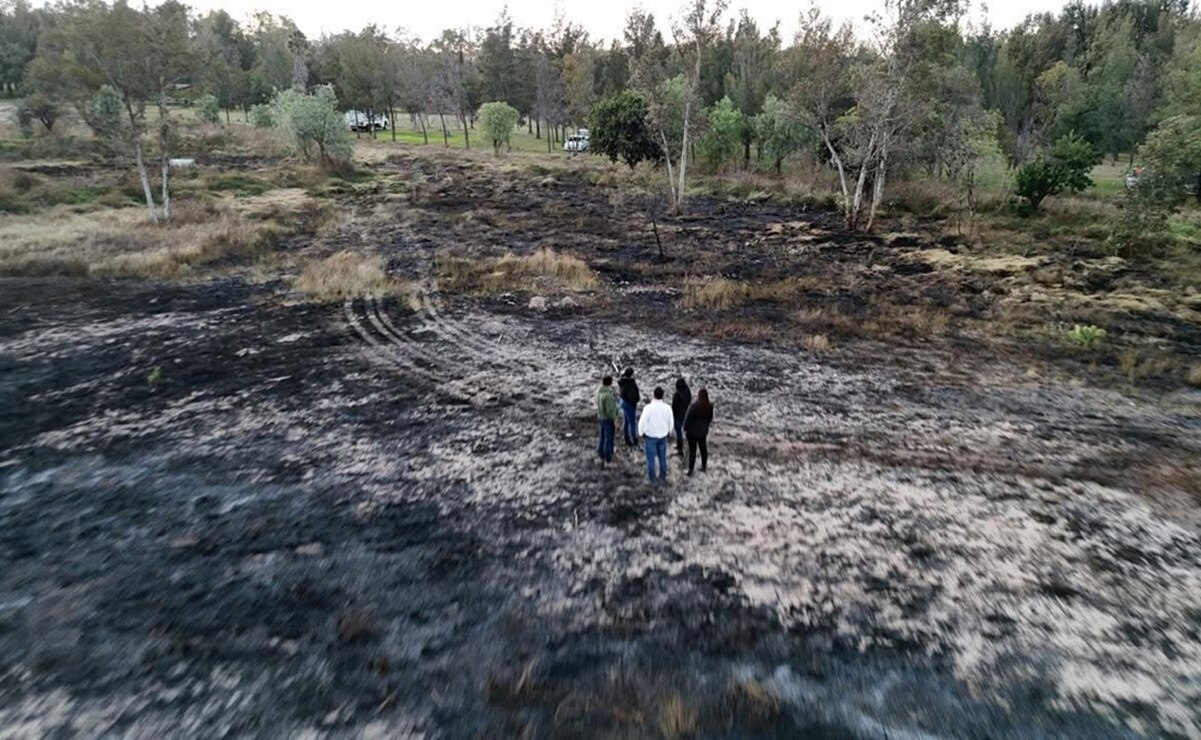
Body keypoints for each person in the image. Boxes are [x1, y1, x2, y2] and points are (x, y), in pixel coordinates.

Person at [638, 387, 674, 483]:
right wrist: (669, 432)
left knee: (650, 459)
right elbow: (671, 422)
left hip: (650, 437)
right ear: (663, 396)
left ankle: (652, 479)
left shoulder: (648, 408)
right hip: (663, 436)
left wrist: (641, 432)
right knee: (662, 458)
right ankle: (663, 476)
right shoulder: (667, 408)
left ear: (653, 395)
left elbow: (642, 422)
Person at [683, 389, 714, 476]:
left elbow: (688, 419)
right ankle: (704, 466)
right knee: (703, 449)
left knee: (692, 451)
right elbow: (710, 419)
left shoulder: (694, 406)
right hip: (703, 431)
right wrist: (705, 426)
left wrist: (685, 428)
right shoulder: (710, 406)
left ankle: (690, 470)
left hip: (692, 432)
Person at [595, 375, 618, 463]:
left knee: (602, 437)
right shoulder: (608, 396)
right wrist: (615, 420)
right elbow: (610, 411)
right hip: (608, 419)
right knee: (609, 439)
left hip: (600, 417)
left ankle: (601, 453)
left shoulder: (598, 391)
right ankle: (608, 456)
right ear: (610, 383)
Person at [617, 367, 640, 447]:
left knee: (626, 420)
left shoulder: (622, 381)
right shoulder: (630, 384)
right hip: (629, 404)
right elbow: (633, 396)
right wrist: (636, 401)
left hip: (623, 401)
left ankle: (626, 437)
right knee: (632, 422)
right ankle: (634, 439)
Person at [671, 377, 692, 457]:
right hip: (686, 414)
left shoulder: (677, 395)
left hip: (678, 415)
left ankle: (679, 446)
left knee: (678, 431)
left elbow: (674, 406)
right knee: (686, 430)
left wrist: (672, 416)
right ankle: (688, 444)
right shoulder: (688, 392)